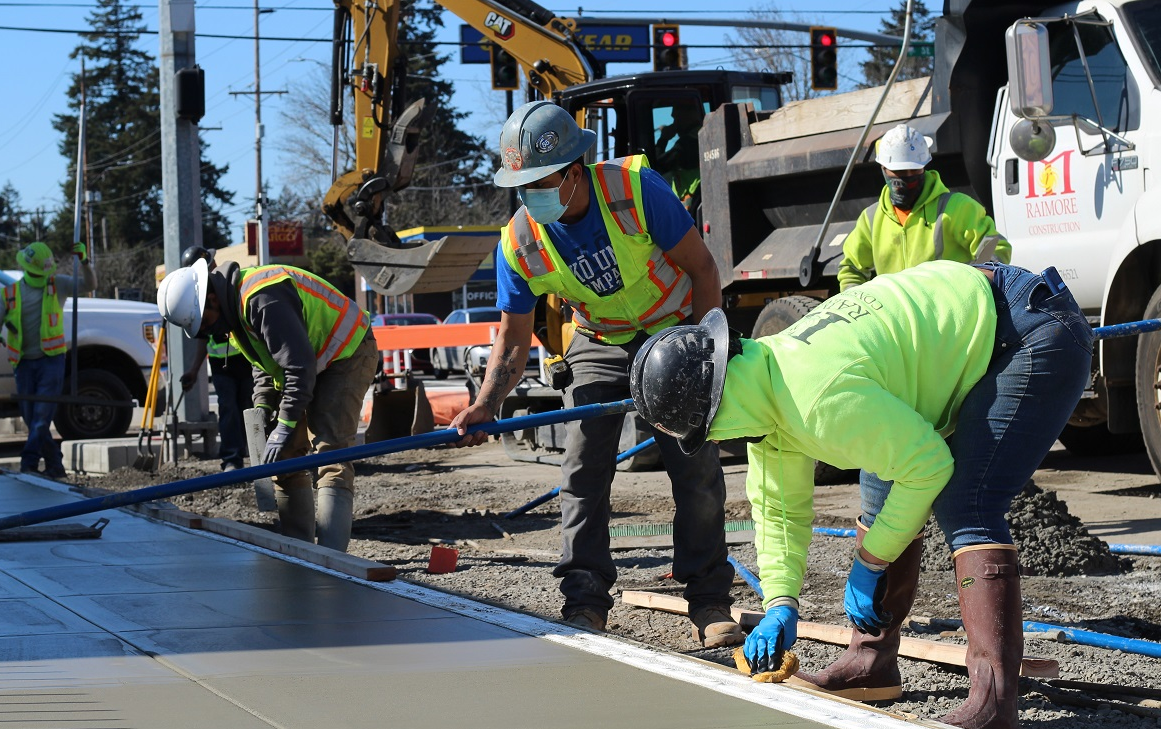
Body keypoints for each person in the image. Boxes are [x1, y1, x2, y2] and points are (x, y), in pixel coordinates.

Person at [629, 260, 1092, 729]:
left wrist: (870, 562)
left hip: (1027, 328)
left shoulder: (815, 398)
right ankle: (872, 662)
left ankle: (994, 701)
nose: (712, 439)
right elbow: (777, 509)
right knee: (881, 488)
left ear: (715, 407)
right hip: (970, 320)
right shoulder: (761, 381)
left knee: (966, 502)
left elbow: (928, 466)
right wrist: (779, 605)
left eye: (705, 430)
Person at [450, 100, 743, 648]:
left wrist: (705, 353)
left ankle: (709, 600)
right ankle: (584, 600)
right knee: (583, 471)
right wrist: (487, 402)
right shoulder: (519, 242)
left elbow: (703, 268)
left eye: (540, 180)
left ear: (573, 172)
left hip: (673, 328)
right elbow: (512, 336)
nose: (530, 194)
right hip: (600, 338)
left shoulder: (634, 192)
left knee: (695, 468)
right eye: (522, 184)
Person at [157, 257, 378, 552]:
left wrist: (285, 424)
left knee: (331, 451)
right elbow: (265, 360)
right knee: (283, 458)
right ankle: (300, 553)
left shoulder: (262, 297)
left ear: (211, 299)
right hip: (309, 359)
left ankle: (331, 558)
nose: (210, 332)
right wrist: (262, 405)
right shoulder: (233, 310)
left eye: (207, 323)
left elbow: (299, 367)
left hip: (346, 349)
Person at [837, 123, 1011, 292]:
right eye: (900, 172)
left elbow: (996, 247)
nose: (908, 177)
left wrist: (968, 284)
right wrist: (859, 302)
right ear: (884, 169)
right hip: (898, 318)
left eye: (914, 171)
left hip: (947, 313)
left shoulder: (957, 207)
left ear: (924, 167)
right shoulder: (871, 219)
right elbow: (851, 269)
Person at [0, 240, 95, 479]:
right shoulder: (10, 294)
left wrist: (85, 262)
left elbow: (89, 284)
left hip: (51, 360)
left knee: (41, 416)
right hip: (23, 363)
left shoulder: (58, 286)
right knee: (31, 417)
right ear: (27, 268)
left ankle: (29, 462)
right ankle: (55, 465)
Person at [177, 247, 250, 472]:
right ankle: (232, 459)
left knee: (252, 408)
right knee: (228, 409)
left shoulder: (229, 289)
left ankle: (261, 456)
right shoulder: (200, 302)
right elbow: (202, 339)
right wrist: (193, 370)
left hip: (248, 360)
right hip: (222, 366)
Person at [651, 102, 704, 215]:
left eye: (676, 116)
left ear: (689, 115)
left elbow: (655, 168)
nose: (673, 118)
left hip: (695, 208)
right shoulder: (702, 136)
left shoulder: (688, 144)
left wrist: (663, 139)